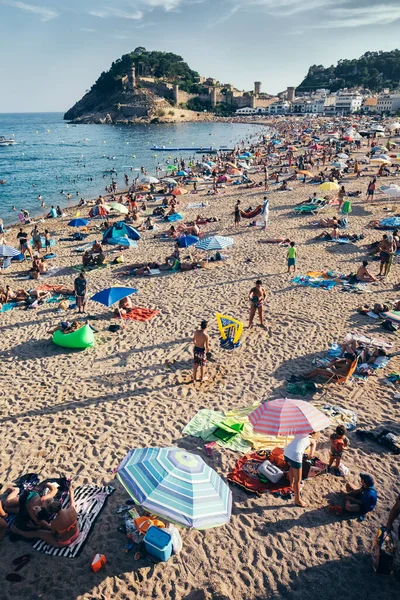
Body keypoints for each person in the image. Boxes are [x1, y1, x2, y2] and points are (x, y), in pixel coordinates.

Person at [11, 483, 79, 548]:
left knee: (39, 533)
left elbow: (52, 533)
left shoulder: (55, 522)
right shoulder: (71, 510)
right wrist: (71, 492)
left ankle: (18, 531)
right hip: (76, 534)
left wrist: (36, 527)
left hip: (64, 542)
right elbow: (72, 502)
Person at [284, 432, 319, 507]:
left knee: (291, 467)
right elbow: (311, 455)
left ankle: (290, 484)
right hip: (295, 454)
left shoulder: (300, 433)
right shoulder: (312, 441)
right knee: (298, 479)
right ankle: (297, 500)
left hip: (287, 451)